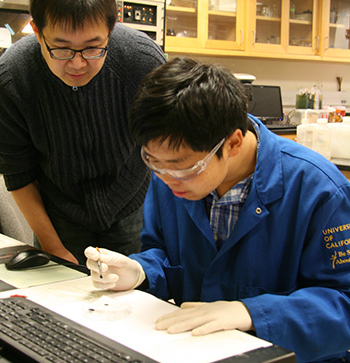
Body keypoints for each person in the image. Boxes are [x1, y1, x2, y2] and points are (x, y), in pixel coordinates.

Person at [85, 57, 350, 363]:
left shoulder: (320, 190)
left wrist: (251, 313)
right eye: (152, 161)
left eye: (182, 167)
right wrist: (141, 272)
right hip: (198, 351)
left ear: (233, 143)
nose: (167, 178)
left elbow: (343, 303)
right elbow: (167, 255)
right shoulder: (171, 175)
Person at [0, 0, 166, 265]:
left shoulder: (142, 61)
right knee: (63, 289)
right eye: (62, 48)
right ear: (37, 32)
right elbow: (17, 173)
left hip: (132, 203)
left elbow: (166, 144)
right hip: (58, 214)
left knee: (135, 288)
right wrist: (54, 248)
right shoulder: (12, 78)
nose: (78, 64)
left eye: (93, 48)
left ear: (111, 30)